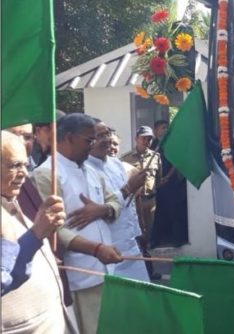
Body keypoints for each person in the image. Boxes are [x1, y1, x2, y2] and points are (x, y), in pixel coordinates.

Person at [32, 113, 123, 334]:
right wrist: (96, 249)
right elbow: (52, 229)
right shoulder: (47, 174)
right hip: (80, 274)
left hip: (107, 268)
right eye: (88, 140)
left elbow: (115, 199)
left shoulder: (90, 169)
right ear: (70, 138)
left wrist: (103, 210)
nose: (93, 146)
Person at [1, 131, 72, 332]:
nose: (23, 172)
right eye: (14, 165)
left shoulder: (11, 198)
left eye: (25, 164)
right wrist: (36, 235)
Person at [86, 121, 149, 281]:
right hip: (107, 249)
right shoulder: (85, 169)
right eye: (100, 136)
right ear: (88, 140)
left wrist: (137, 233)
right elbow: (101, 209)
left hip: (130, 244)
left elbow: (130, 206)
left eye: (107, 133)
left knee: (142, 296)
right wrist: (130, 187)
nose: (107, 139)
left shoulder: (116, 164)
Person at [121, 125, 162, 279]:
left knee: (148, 235)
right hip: (132, 203)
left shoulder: (156, 157)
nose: (147, 141)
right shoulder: (125, 159)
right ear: (136, 139)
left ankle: (148, 269)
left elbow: (158, 179)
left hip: (150, 202)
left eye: (150, 138)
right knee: (137, 235)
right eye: (144, 138)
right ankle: (142, 269)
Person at [150, 120, 189, 248]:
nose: (165, 130)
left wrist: (167, 177)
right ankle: (155, 240)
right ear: (155, 130)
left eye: (166, 128)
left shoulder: (171, 144)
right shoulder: (152, 145)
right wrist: (157, 180)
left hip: (171, 183)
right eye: (162, 128)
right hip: (156, 185)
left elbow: (175, 162)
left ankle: (178, 239)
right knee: (157, 213)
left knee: (175, 212)